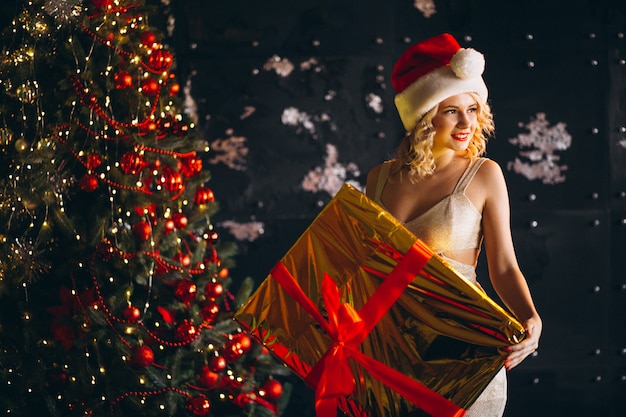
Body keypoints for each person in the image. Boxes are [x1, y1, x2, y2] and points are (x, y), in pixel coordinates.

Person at [365, 33, 542, 416]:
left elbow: (504, 266)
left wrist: (530, 316)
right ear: (424, 116)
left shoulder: (484, 175)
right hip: (392, 353)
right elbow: (366, 268)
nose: (466, 122)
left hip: (464, 352)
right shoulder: (377, 179)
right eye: (451, 111)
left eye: (473, 109)